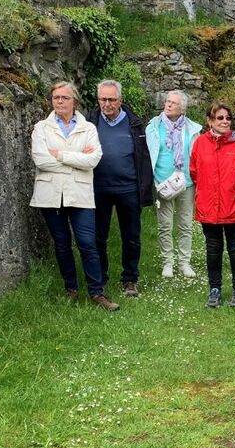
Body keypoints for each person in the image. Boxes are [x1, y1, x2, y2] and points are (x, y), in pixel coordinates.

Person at [29, 82, 118, 311]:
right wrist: (76, 158)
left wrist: (59, 155)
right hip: (51, 194)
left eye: (64, 97)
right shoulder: (41, 127)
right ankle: (71, 288)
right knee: (61, 244)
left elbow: (93, 160)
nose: (59, 101)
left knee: (88, 243)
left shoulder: (88, 128)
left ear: (74, 101)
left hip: (80, 193)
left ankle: (97, 292)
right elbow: (40, 160)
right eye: (56, 97)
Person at [87, 80, 154, 297]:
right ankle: (101, 278)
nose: (107, 104)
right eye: (103, 99)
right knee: (99, 236)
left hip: (128, 188)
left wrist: (145, 189)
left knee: (131, 235)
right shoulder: (90, 122)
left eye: (112, 99)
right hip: (99, 188)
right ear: (98, 100)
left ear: (120, 100)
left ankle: (130, 279)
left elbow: (144, 158)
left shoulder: (134, 123)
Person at [189, 102, 235, 308]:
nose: (225, 121)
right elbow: (194, 172)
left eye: (227, 118)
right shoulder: (200, 143)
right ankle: (214, 289)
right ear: (210, 121)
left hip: (234, 205)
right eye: (220, 118)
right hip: (209, 205)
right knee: (213, 248)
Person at [145, 90, 201, 279]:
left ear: (182, 108)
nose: (168, 105)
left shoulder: (193, 129)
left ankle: (184, 263)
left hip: (186, 182)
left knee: (185, 224)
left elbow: (196, 156)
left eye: (174, 103)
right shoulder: (153, 127)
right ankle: (167, 263)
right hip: (162, 183)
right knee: (164, 225)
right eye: (167, 101)